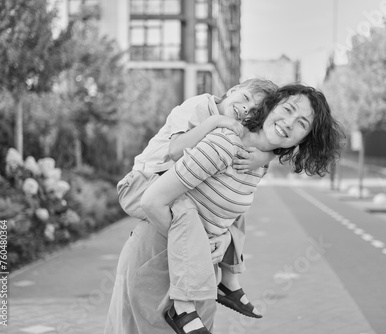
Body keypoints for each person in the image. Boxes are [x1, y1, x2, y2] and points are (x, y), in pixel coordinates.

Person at [104, 83, 343, 334]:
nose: (290, 122)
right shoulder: (223, 140)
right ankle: (189, 305)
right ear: (270, 108)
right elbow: (153, 200)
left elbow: (218, 210)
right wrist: (199, 247)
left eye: (302, 123)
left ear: (305, 139)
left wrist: (223, 238)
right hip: (159, 260)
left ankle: (227, 284)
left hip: (199, 271)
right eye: (288, 109)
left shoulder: (257, 160)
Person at [115, 78, 278, 319]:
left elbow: (274, 144)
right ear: (232, 90)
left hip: (170, 187)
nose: (245, 109)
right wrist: (214, 122)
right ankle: (183, 305)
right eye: (244, 98)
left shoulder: (235, 127)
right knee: (185, 209)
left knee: (236, 207)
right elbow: (175, 150)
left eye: (254, 111)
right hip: (141, 183)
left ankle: (229, 281)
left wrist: (265, 158)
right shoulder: (201, 105)